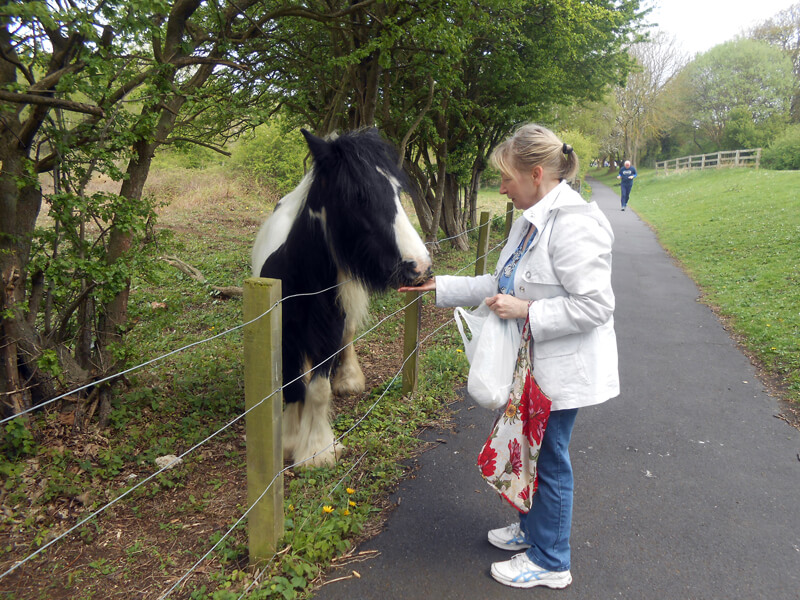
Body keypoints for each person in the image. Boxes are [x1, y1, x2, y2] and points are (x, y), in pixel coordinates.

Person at [400, 124, 619, 589]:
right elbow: (504, 283)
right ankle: (532, 531)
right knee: (528, 450)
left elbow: (597, 306)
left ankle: (551, 560)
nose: (500, 187)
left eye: (506, 178)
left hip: (558, 370)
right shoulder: (531, 218)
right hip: (530, 367)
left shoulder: (574, 224)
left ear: (536, 174)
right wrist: (442, 286)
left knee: (549, 458)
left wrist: (528, 311)